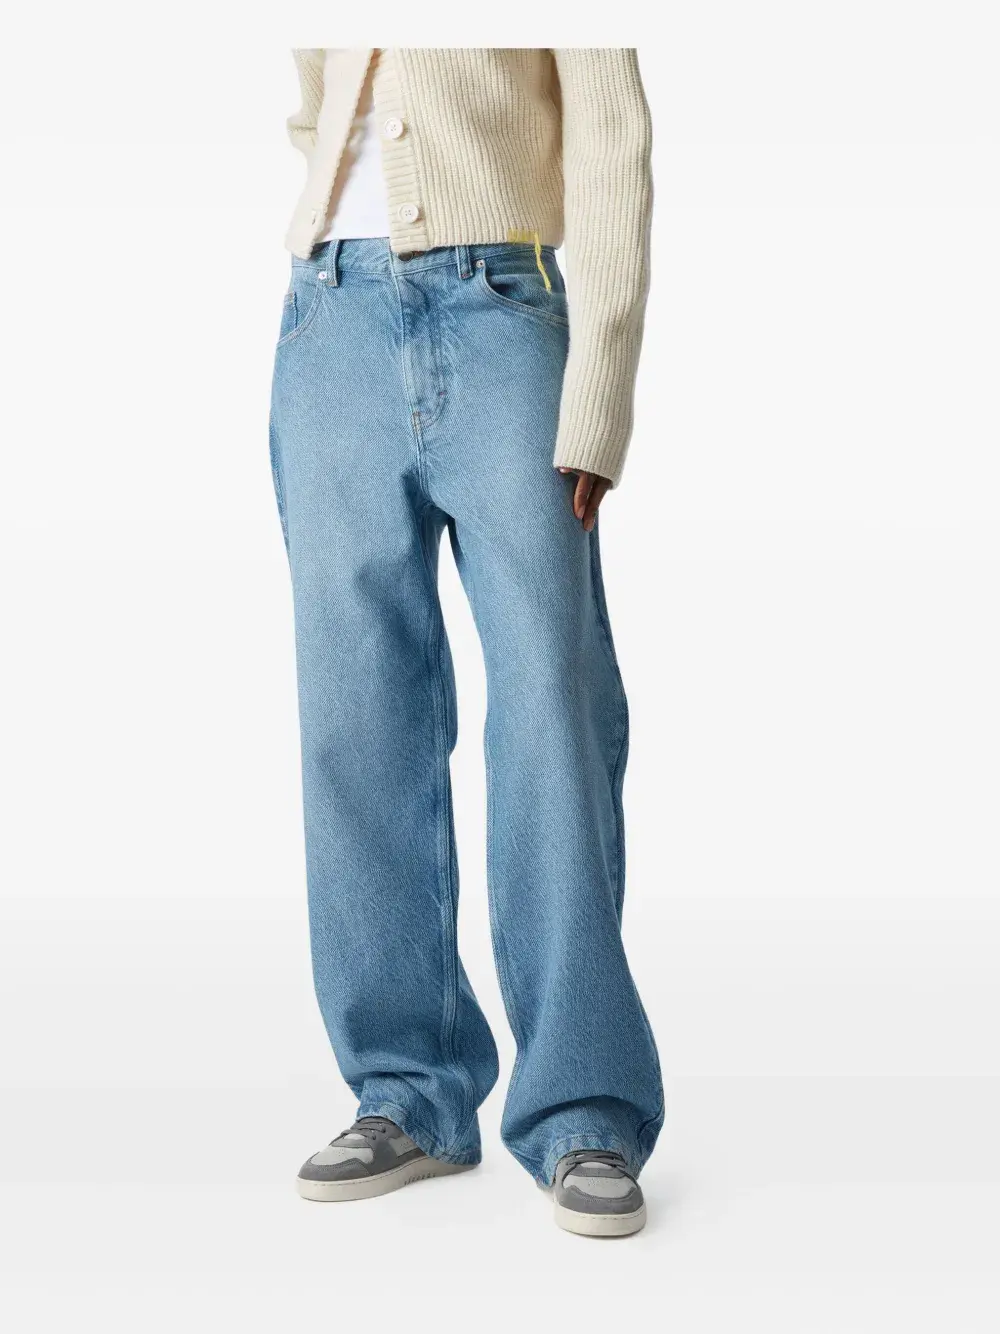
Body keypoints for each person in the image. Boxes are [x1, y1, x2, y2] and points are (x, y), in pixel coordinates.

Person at [270, 47, 663, 1238]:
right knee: (355, 722)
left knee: (550, 706)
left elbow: (612, 144)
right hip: (329, 315)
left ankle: (583, 1104)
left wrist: (600, 387)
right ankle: (407, 1089)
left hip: (503, 309)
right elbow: (319, 104)